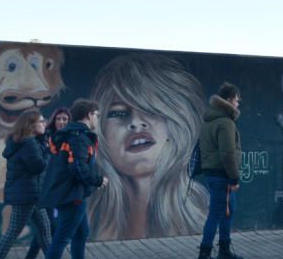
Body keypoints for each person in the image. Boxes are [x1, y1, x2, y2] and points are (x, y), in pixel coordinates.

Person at [89, 54, 208, 240]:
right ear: (100, 128)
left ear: (176, 122)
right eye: (119, 112)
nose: (136, 123)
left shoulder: (205, 215)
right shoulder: (87, 220)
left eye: (150, 110)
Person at [35, 99, 109, 259]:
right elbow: (78, 167)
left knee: (81, 232)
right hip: (72, 195)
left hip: (74, 194)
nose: (97, 119)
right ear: (89, 115)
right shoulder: (79, 137)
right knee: (61, 238)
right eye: (97, 115)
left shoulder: (71, 134)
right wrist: (98, 180)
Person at [0, 111, 52, 259]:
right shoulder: (29, 143)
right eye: (41, 121)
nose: (44, 123)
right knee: (11, 234)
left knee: (45, 229)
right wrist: (47, 149)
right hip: (26, 196)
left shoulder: (22, 142)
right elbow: (38, 167)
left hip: (29, 194)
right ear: (31, 125)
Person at [196, 82, 243, 259]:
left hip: (212, 171)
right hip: (222, 174)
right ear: (230, 100)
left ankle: (224, 249)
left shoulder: (210, 120)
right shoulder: (226, 122)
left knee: (228, 209)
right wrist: (234, 177)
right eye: (237, 101)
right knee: (216, 213)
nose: (238, 104)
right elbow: (227, 153)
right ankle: (204, 255)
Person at [21, 106, 71, 259]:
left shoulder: (70, 138)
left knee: (49, 227)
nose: (62, 122)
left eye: (65, 119)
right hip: (43, 190)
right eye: (59, 119)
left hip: (59, 190)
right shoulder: (46, 137)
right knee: (47, 227)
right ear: (53, 120)